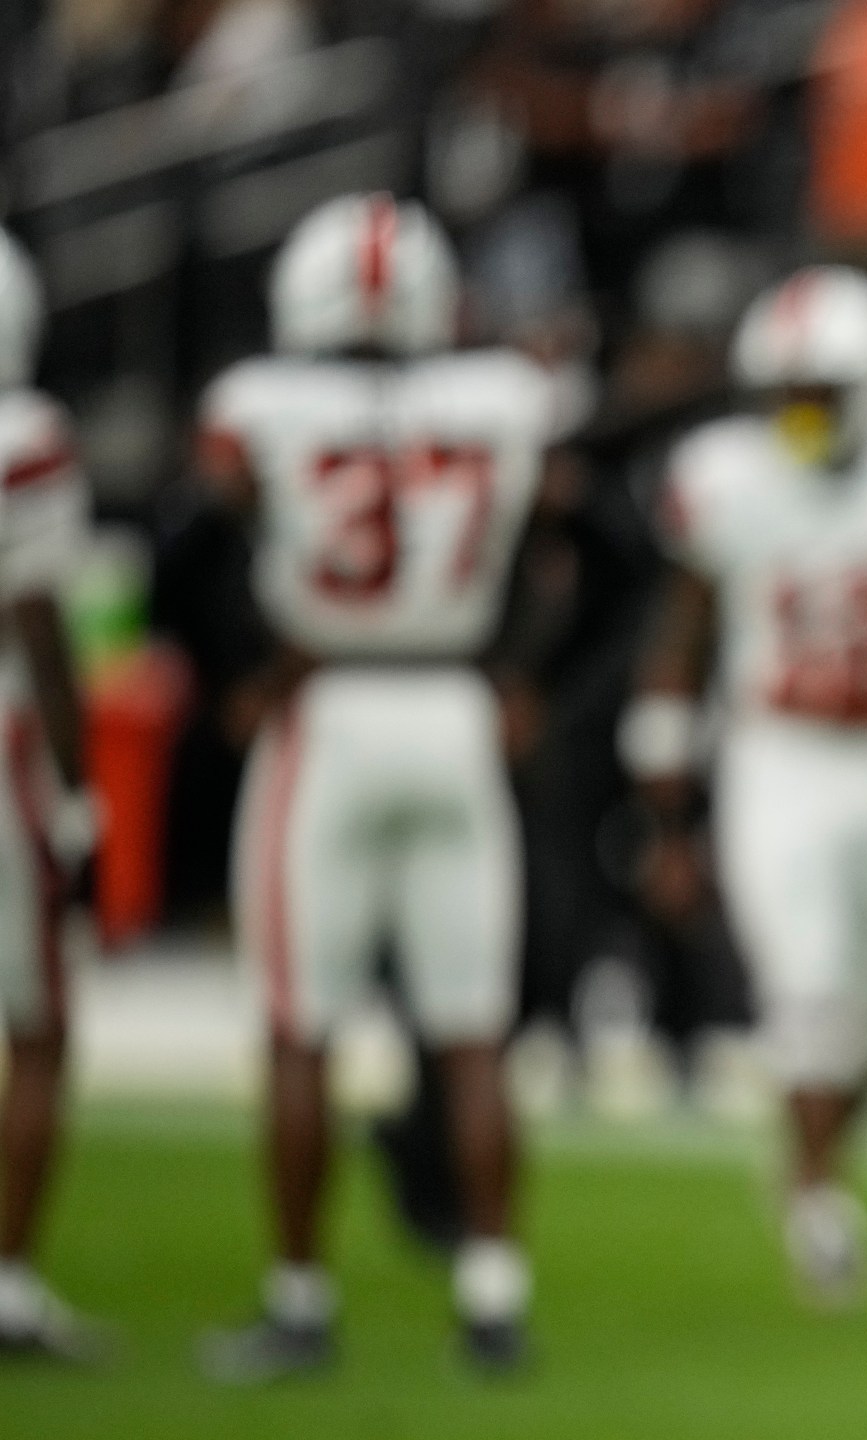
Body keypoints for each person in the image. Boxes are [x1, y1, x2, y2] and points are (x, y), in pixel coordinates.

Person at [194, 194, 553, 1379]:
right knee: (471, 1031)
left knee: (302, 1027)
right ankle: (494, 1296)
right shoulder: (502, 399)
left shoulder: (257, 407)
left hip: (331, 710)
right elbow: (548, 538)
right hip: (452, 701)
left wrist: (265, 661)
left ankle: (299, 1302)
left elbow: (211, 528)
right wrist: (514, 668)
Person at [624, 264, 867, 1305]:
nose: (799, 416)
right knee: (813, 995)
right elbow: (680, 639)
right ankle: (819, 1204)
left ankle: (809, 1166)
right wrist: (664, 815)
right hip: (776, 755)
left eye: (819, 394)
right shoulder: (727, 479)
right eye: (785, 394)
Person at [0, 229, 106, 1362]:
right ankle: (9, 1285)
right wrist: (79, 799)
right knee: (34, 1026)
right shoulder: (21, 440)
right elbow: (37, 622)